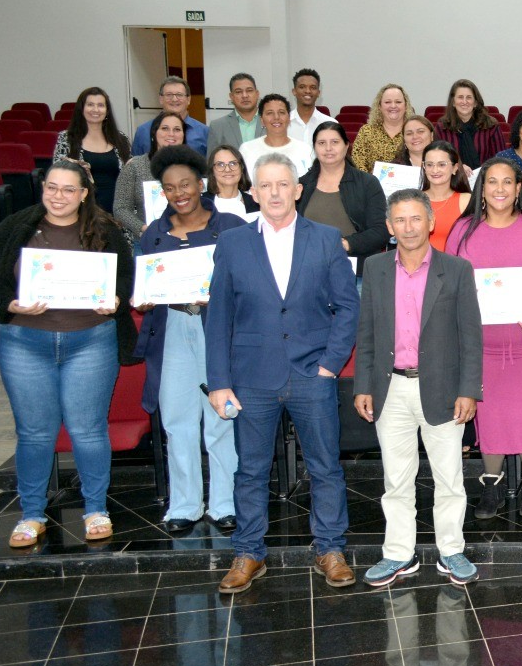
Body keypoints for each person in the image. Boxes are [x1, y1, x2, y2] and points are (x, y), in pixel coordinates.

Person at [207, 154, 361, 594]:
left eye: (282, 184)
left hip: (313, 373)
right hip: (250, 376)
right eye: (265, 185)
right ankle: (249, 551)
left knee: (326, 467)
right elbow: (218, 317)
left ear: (298, 190)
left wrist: (331, 364)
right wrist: (219, 381)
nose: (274, 192)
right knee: (251, 470)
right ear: (252, 194)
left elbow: (348, 307)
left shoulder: (327, 239)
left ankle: (330, 549)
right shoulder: (233, 243)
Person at [0, 160, 135, 549]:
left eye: (68, 189)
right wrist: (11, 304)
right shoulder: (16, 226)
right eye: (51, 187)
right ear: (42, 188)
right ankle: (31, 514)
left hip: (91, 341)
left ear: (83, 194)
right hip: (24, 342)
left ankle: (96, 509)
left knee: (88, 429)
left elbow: (127, 278)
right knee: (34, 432)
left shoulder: (106, 229)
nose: (58, 196)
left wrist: (116, 299)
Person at [354, 189, 484, 588]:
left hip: (444, 390)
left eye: (415, 219)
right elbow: (368, 332)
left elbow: (470, 336)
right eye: (400, 220)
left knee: (449, 478)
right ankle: (398, 554)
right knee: (396, 479)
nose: (408, 227)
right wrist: (363, 385)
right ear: (390, 228)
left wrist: (468, 390)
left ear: (430, 222)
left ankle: (451, 550)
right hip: (389, 388)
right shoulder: (374, 268)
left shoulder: (457, 269)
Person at [133, 146, 247, 536]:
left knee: (222, 418)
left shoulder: (231, 226)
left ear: (201, 184)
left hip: (219, 330)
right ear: (162, 192)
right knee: (178, 420)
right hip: (173, 330)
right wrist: (143, 297)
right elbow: (143, 283)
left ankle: (225, 504)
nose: (179, 193)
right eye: (169, 188)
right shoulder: (154, 233)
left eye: (185, 184)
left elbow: (248, 281)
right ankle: (183, 504)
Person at [445, 158, 522, 519]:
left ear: (518, 188)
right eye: (491, 181)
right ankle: (491, 486)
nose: (499, 188)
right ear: (481, 188)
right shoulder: (462, 230)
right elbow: (448, 283)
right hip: (480, 346)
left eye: (507, 182)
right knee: (489, 413)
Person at [296, 121, 389, 270]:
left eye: (335, 142)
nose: (328, 148)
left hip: (355, 270)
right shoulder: (301, 185)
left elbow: (381, 231)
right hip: (308, 268)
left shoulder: (367, 183)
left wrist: (344, 244)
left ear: (346, 146)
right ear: (314, 148)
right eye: (321, 143)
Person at [54, 86, 130, 214]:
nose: (95, 109)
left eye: (100, 105)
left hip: (119, 213)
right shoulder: (66, 139)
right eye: (90, 105)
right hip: (81, 212)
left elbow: (130, 176)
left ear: (107, 111)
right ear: (81, 109)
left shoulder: (121, 139)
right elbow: (57, 174)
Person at [114, 111, 187, 243]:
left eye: (177, 129)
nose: (171, 134)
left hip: (187, 242)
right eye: (165, 128)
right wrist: (144, 229)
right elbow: (121, 208)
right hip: (148, 242)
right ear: (154, 133)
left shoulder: (193, 167)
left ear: (183, 135)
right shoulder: (135, 166)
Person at [435, 77, 507, 180]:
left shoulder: (491, 125)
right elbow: (438, 159)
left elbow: (501, 158)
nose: (464, 101)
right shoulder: (442, 127)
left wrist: (485, 171)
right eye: (460, 97)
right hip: (452, 180)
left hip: (486, 180)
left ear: (476, 103)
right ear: (453, 102)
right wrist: (458, 167)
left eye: (469, 97)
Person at [238, 93, 314, 181]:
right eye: (270, 113)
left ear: (289, 118)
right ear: (261, 120)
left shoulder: (305, 150)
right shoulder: (247, 150)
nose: (276, 117)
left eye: (281, 112)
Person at [131, 76, 207, 156]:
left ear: (188, 99)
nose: (174, 99)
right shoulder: (143, 131)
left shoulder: (204, 132)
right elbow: (135, 164)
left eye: (179, 95)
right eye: (169, 95)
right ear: (161, 99)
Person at [350, 83, 415, 173]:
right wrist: (370, 182)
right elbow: (357, 163)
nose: (393, 106)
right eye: (387, 102)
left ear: (406, 105)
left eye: (398, 102)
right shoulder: (366, 131)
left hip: (411, 186)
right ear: (379, 106)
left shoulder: (414, 132)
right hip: (371, 185)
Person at [421, 140, 471, 251]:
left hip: (456, 265)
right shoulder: (415, 200)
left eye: (442, 164)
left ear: (455, 168)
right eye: (429, 165)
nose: (435, 170)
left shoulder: (466, 200)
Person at [206, 72, 261, 152]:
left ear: (257, 94)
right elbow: (212, 161)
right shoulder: (217, 126)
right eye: (238, 92)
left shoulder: (271, 122)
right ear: (231, 96)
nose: (244, 95)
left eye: (249, 91)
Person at [206, 144, 257, 219]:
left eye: (233, 163)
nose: (227, 169)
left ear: (242, 168)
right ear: (212, 171)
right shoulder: (202, 204)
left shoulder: (256, 203)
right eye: (220, 164)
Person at [287, 68, 334, 145]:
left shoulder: (330, 124)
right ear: (294, 91)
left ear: (318, 93)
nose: (308, 91)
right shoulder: (283, 124)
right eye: (302, 87)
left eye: (313, 87)